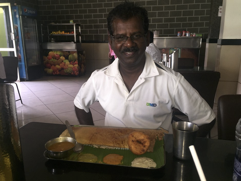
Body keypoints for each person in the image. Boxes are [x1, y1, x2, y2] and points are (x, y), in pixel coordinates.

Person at [74, 1, 215, 133]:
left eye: (136, 35)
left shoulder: (171, 81)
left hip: (154, 155)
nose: (129, 44)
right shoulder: (100, 78)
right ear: (111, 41)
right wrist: (91, 135)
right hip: (114, 154)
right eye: (120, 37)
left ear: (147, 38)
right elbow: (80, 104)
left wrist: (179, 146)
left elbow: (206, 119)